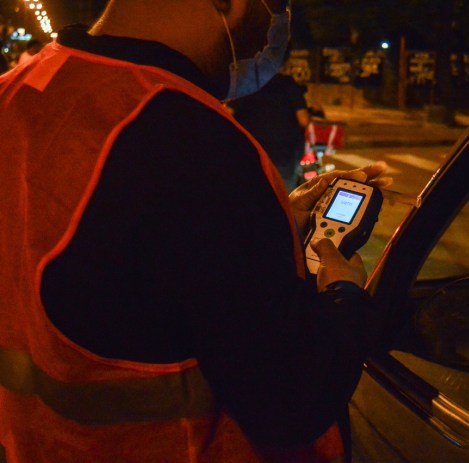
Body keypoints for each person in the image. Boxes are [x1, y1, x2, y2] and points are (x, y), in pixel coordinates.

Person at [0, 0, 391, 462]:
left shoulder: (17, 90)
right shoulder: (194, 142)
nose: (276, 24)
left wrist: (263, 224)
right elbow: (288, 404)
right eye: (275, 5)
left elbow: (127, 264)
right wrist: (345, 294)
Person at [233, 56, 311, 191]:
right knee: (283, 197)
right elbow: (303, 120)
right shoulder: (289, 85)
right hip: (283, 154)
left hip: (251, 154)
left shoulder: (249, 85)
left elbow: (229, 113)